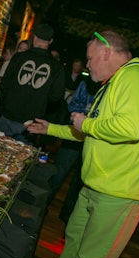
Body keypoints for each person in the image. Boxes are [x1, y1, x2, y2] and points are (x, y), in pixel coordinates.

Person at [27, 30, 139, 258]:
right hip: (94, 186)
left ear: (106, 52)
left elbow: (131, 129)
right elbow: (91, 133)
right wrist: (51, 129)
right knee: (72, 246)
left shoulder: (135, 77)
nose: (87, 65)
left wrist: (87, 122)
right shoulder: (111, 83)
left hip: (118, 194)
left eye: (90, 59)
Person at [0, 23, 65, 144]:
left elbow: (4, 85)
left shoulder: (18, 57)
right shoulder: (56, 66)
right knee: (21, 159)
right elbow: (56, 96)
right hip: (31, 124)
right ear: (50, 41)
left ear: (34, 37)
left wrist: (3, 108)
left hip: (8, 116)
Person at [47, 76, 100, 224]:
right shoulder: (86, 83)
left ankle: (68, 215)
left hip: (94, 142)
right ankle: (43, 204)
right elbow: (72, 105)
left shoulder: (112, 87)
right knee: (59, 172)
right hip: (74, 138)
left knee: (79, 181)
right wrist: (85, 115)